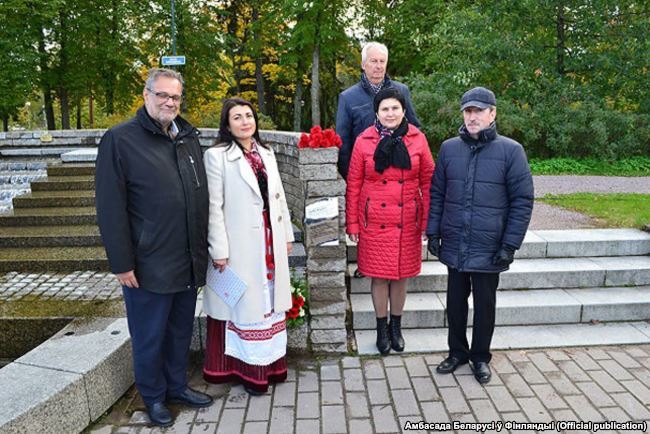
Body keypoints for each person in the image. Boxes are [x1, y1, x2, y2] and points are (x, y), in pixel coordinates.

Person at [95, 68, 213, 427]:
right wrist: (121, 262)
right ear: (146, 96)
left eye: (175, 97)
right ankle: (153, 396)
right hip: (147, 262)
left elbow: (197, 196)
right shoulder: (120, 140)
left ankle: (176, 386)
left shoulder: (187, 138)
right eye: (162, 95)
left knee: (179, 329)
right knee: (149, 335)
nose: (169, 102)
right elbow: (110, 206)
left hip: (186, 257)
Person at [426, 87, 534, 384]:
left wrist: (509, 244)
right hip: (456, 243)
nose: (472, 116)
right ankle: (457, 352)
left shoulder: (511, 151)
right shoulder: (449, 148)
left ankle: (480, 357)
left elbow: (522, 201)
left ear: (492, 113)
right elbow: (437, 193)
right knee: (456, 302)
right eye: (467, 111)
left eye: (478, 111)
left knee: (485, 305)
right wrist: (433, 231)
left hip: (489, 246)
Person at [202, 97, 295, 395]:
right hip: (239, 244)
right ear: (227, 125)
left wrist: (287, 236)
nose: (245, 121)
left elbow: (278, 197)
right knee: (243, 305)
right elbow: (213, 207)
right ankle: (245, 370)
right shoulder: (217, 157)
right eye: (237, 117)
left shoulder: (266, 153)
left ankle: (271, 366)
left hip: (270, 238)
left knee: (267, 301)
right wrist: (220, 250)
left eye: (249, 115)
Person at [346, 87, 434, 355]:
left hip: (407, 219)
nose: (390, 113)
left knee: (401, 277)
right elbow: (354, 184)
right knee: (380, 277)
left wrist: (428, 221)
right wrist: (352, 223)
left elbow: (429, 181)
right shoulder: (364, 140)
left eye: (395, 108)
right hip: (375, 220)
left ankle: (397, 327)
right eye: (385, 108)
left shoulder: (418, 139)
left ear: (404, 110)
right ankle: (381, 329)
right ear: (377, 112)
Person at [336, 41, 420, 180]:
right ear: (363, 65)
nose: (379, 66)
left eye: (382, 61)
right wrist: (352, 177)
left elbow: (414, 129)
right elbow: (343, 143)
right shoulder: (348, 98)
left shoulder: (401, 91)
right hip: (366, 176)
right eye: (374, 61)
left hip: (400, 174)